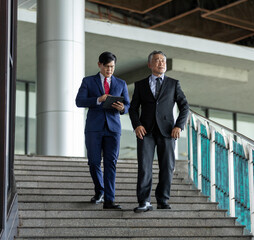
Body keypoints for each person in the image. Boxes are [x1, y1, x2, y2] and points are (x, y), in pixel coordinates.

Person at [129, 50, 189, 213]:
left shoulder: (173, 83)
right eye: (157, 60)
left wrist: (179, 125)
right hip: (145, 132)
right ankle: (144, 201)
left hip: (168, 131)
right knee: (144, 167)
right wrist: (137, 125)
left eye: (163, 60)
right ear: (150, 64)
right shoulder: (140, 84)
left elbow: (184, 106)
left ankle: (163, 200)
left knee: (167, 167)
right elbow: (133, 108)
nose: (161, 63)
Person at [76, 52, 130, 209]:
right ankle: (100, 190)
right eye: (107, 66)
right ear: (99, 64)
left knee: (110, 163)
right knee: (93, 162)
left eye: (112, 67)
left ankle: (109, 200)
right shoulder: (88, 81)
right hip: (94, 128)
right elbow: (79, 101)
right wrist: (98, 99)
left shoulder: (121, 83)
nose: (110, 70)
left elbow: (127, 106)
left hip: (113, 129)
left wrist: (122, 108)